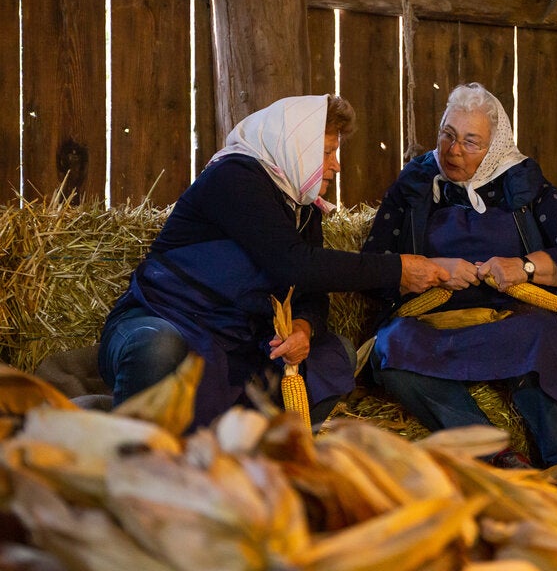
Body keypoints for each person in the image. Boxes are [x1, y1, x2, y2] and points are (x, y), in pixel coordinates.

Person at [98, 95, 449, 429]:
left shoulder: (301, 207)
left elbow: (311, 290)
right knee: (157, 345)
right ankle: (137, 462)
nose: (336, 165)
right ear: (297, 149)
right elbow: (294, 265)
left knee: (334, 355)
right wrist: (398, 268)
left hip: (233, 342)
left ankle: (257, 452)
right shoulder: (234, 178)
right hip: (168, 319)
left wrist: (303, 328)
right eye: (326, 152)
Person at [361, 82, 557, 468]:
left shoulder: (524, 185)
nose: (453, 150)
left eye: (471, 142)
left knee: (544, 333)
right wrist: (434, 272)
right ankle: (497, 455)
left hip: (512, 318)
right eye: (448, 135)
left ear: (494, 147)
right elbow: (372, 265)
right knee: (391, 349)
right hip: (435, 321)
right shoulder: (414, 186)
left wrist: (523, 267)